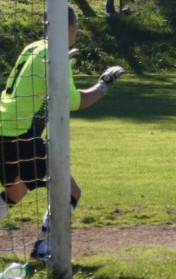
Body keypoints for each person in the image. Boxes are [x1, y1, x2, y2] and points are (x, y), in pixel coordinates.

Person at [0, 5, 125, 259]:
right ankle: (45, 248)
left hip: (3, 126)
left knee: (17, 191)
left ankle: (44, 247)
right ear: (69, 27)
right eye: (75, 28)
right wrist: (103, 86)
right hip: (20, 134)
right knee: (70, 191)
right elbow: (74, 101)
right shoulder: (54, 53)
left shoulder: (33, 47)